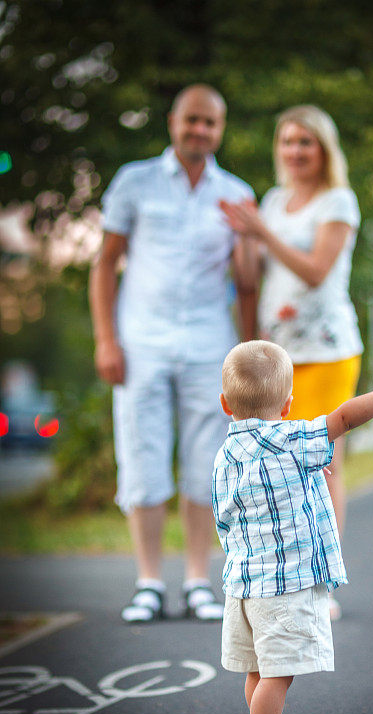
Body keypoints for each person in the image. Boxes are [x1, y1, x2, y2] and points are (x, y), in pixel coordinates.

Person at [212, 340, 373, 714]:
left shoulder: (224, 457)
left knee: (259, 670)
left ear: (224, 404)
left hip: (243, 586)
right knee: (281, 673)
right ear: (289, 404)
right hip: (285, 587)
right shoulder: (293, 439)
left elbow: (223, 517)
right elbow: (347, 415)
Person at [89, 84, 256, 622]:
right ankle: (148, 582)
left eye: (210, 123)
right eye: (192, 121)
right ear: (172, 121)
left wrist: (249, 239)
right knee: (143, 452)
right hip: (141, 343)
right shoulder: (134, 182)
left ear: (220, 129)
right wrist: (106, 339)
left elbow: (247, 283)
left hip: (210, 344)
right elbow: (104, 265)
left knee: (208, 462)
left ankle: (196, 582)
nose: (200, 131)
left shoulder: (235, 193)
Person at [220, 105, 363, 620]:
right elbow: (251, 276)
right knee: (274, 466)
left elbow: (316, 271)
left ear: (323, 149)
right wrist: (242, 238)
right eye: (287, 141)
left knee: (322, 463)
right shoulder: (275, 201)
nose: (295, 150)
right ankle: (284, 575)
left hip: (326, 350)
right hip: (276, 356)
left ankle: (323, 584)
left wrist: (262, 232)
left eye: (306, 141)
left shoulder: (337, 201)